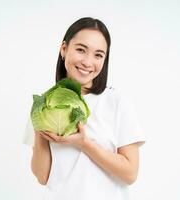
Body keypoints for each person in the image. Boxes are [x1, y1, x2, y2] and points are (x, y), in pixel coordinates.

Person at [23, 17, 146, 200]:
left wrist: (83, 143)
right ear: (64, 49)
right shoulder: (46, 103)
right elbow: (43, 177)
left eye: (98, 55)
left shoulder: (117, 102)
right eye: (81, 50)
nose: (88, 62)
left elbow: (130, 174)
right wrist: (40, 128)